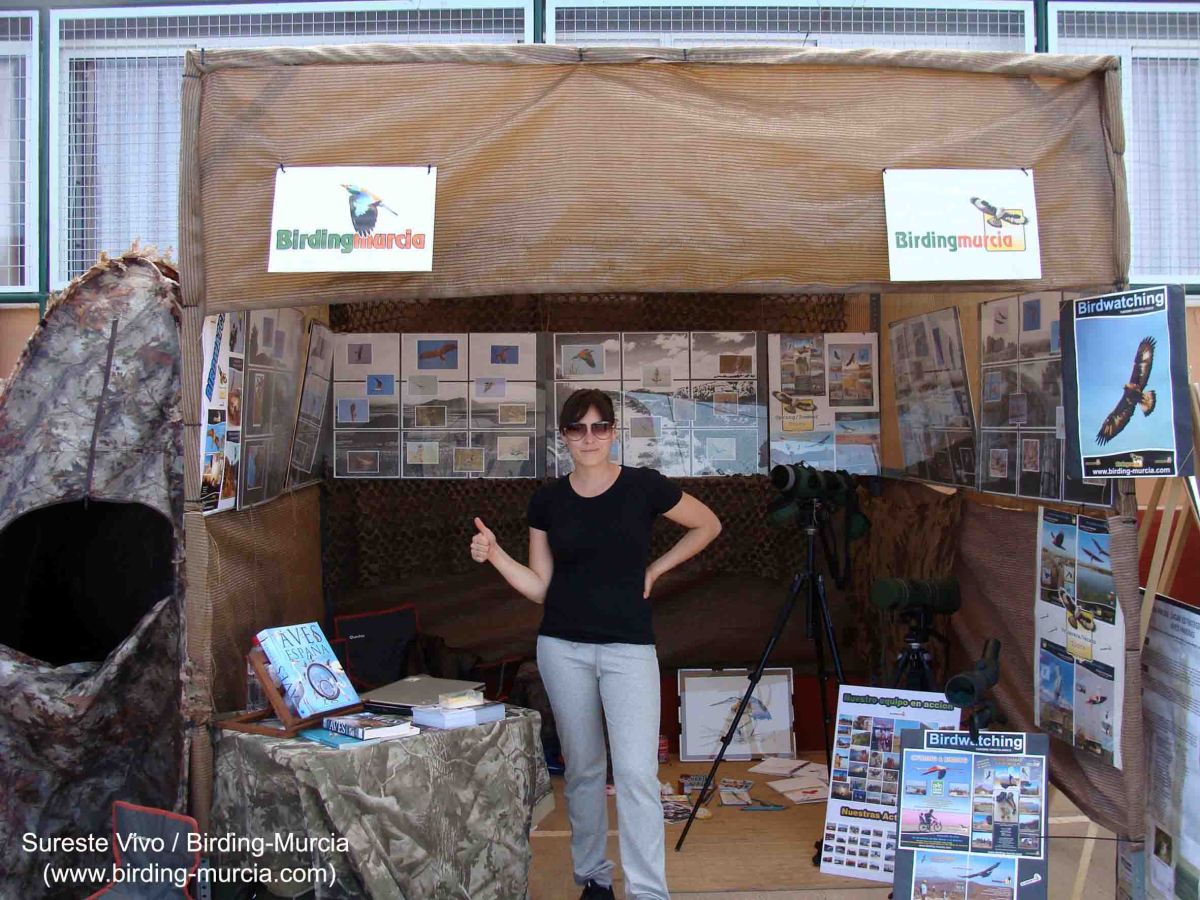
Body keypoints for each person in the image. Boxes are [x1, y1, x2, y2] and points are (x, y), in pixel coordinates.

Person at [470, 388, 721, 900]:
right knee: (583, 771)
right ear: (563, 436)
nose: (589, 438)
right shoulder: (547, 500)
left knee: (635, 773)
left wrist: (656, 568)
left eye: (599, 427)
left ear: (613, 432)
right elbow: (540, 586)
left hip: (629, 649)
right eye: (577, 428)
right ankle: (594, 879)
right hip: (562, 648)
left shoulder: (643, 486)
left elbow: (707, 524)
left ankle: (648, 891)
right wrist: (495, 554)